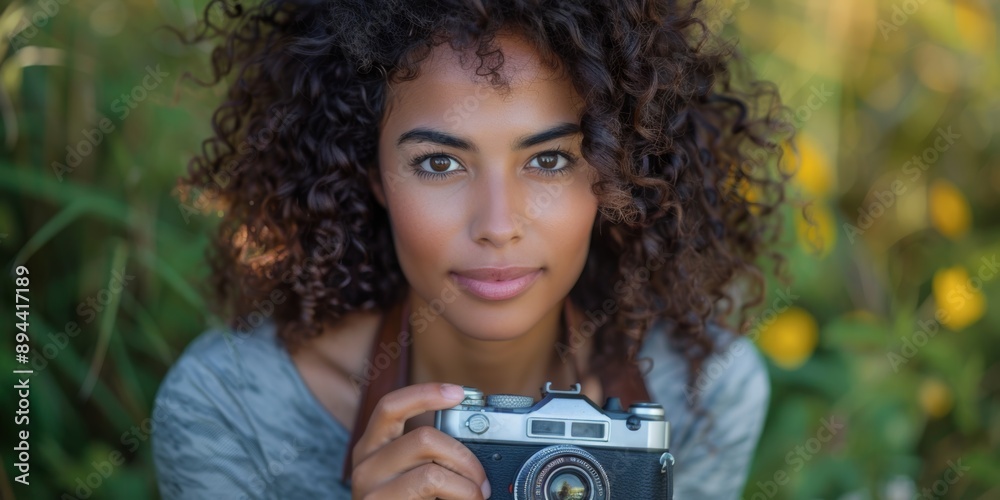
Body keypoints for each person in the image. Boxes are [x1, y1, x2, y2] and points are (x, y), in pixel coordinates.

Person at [153, 0, 795, 498]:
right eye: (438, 163)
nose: (497, 224)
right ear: (371, 174)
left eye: (548, 159)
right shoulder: (230, 408)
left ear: (616, 171)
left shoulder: (702, 394)